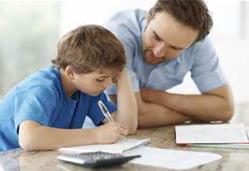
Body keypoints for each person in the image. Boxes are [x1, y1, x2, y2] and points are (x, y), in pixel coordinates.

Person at [0, 25, 137, 151]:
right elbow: (29, 139)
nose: (107, 84)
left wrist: (122, 75)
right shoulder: (42, 88)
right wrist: (95, 134)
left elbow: (126, 128)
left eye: (111, 77)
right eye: (101, 79)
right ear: (71, 73)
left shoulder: (88, 90)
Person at [105, 0, 234, 128]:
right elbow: (135, 116)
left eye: (175, 48)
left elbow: (224, 108)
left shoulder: (196, 43)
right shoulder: (118, 36)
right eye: (157, 37)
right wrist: (199, 114)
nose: (158, 52)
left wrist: (156, 96)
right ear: (149, 17)